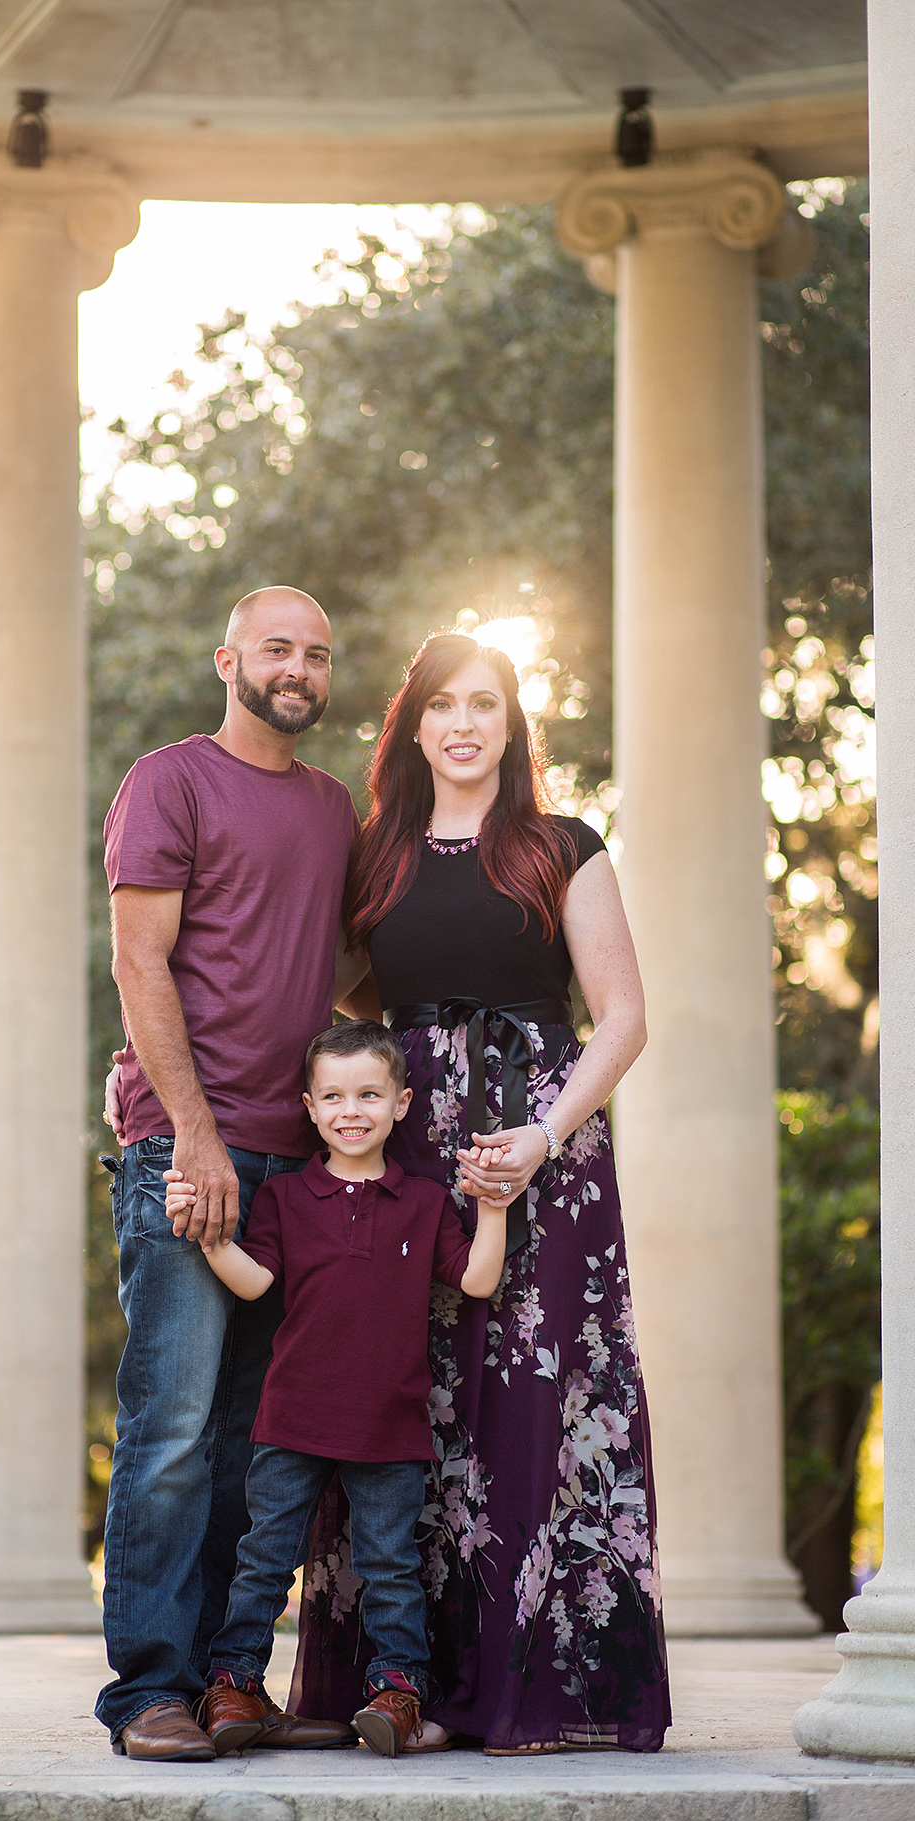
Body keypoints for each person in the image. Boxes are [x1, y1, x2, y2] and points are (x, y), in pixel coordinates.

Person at [291, 631, 671, 1754]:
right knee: (410, 1392)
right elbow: (323, 1000)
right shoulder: (377, 860)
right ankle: (404, 1682)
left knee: (537, 1397)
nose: (464, 724)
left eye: (487, 706)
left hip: (544, 1148)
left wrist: (544, 1138)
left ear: (512, 727)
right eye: (443, 705)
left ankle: (533, 1688)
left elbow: (627, 1017)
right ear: (414, 727)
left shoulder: (562, 846)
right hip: (411, 1153)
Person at [95, 585, 367, 1761]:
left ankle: (225, 1680)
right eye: (276, 648)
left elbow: (337, 963)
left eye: (315, 653)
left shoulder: (334, 807)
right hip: (187, 1149)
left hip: (300, 1163)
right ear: (228, 660)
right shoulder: (171, 781)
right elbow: (139, 960)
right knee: (170, 1429)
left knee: (256, 1446)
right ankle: (148, 1689)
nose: (298, 667)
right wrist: (193, 1136)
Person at [164, 1020, 513, 1757]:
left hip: (390, 1423)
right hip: (292, 1415)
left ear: (401, 1102)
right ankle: (232, 1685)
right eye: (334, 1095)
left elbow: (478, 1278)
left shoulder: (422, 1200)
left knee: (389, 1563)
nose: (351, 1109)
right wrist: (204, 1229)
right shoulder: (288, 1198)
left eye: (368, 1094)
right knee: (265, 1556)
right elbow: (255, 1281)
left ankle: (398, 1692)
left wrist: (494, 1205)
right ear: (311, 1107)